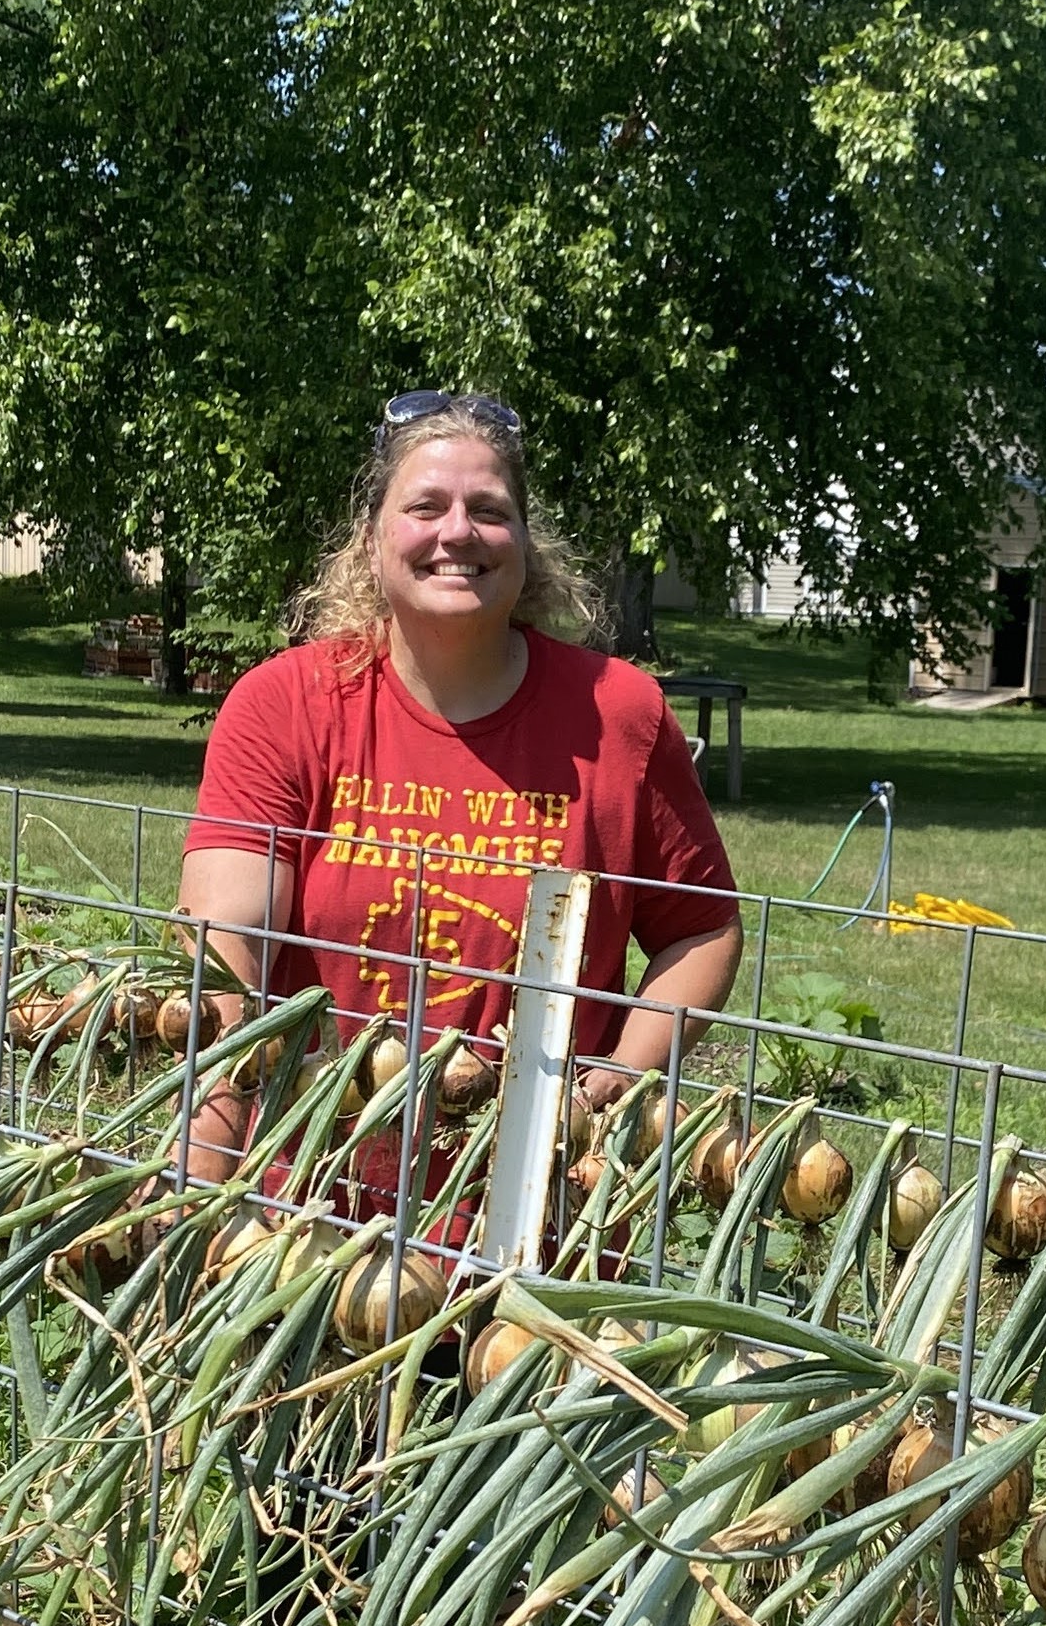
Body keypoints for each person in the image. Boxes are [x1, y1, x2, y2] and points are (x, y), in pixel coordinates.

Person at [180, 392, 744, 1114]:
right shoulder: (286, 705)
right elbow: (226, 974)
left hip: (536, 1199)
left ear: (525, 541)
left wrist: (615, 1082)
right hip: (309, 1193)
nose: (458, 532)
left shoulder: (619, 714)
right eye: (425, 507)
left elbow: (701, 931)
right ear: (371, 539)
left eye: (489, 509)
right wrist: (202, 1198)